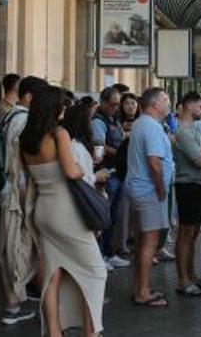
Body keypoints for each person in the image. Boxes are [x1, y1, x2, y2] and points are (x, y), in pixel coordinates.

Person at [23, 87, 106, 337]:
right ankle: (91, 332)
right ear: (54, 108)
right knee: (95, 271)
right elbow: (71, 172)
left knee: (52, 274)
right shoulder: (59, 134)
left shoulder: (26, 138)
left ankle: (54, 332)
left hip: (43, 210)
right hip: (65, 210)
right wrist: (82, 170)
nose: (66, 108)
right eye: (63, 104)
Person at [0, 75, 47, 326]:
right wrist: (27, 197)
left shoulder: (10, 117)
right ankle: (13, 304)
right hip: (18, 194)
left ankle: (17, 298)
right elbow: (18, 165)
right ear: (29, 97)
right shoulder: (23, 120)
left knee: (16, 246)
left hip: (10, 192)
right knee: (18, 246)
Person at [126, 87, 174, 307]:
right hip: (148, 191)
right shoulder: (152, 127)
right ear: (154, 104)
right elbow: (154, 162)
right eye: (165, 99)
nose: (169, 102)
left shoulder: (140, 123)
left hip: (139, 188)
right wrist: (161, 188)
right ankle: (143, 292)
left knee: (142, 241)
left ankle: (140, 286)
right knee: (149, 242)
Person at [170, 92, 201, 296]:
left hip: (200, 185)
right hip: (187, 185)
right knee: (186, 233)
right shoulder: (182, 132)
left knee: (194, 234)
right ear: (189, 106)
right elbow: (198, 160)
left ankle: (192, 274)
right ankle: (183, 280)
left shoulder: (196, 129)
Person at [91, 87, 131, 269]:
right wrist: (118, 152)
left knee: (114, 215)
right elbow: (99, 144)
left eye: (118, 105)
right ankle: (101, 254)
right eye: (113, 104)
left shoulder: (113, 119)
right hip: (107, 173)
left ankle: (109, 252)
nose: (116, 108)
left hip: (117, 172)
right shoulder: (98, 122)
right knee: (105, 215)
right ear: (104, 102)